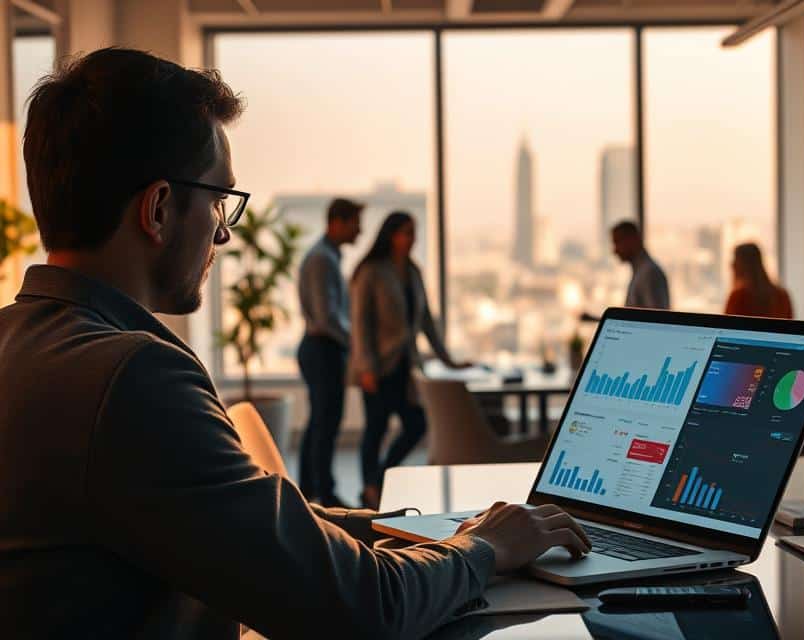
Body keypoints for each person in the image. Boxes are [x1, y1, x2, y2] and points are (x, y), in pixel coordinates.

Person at [0, 48, 589, 639]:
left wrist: (421, 529)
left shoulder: (21, 347)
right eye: (217, 200)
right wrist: (481, 550)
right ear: (158, 209)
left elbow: (238, 520)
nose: (224, 232)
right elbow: (362, 610)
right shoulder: (131, 379)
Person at [350, 212, 468, 510]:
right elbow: (360, 323)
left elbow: (426, 319)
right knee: (375, 428)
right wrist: (365, 367)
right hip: (378, 365)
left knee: (416, 424)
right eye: (406, 232)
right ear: (391, 235)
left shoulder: (413, 271)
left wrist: (448, 360)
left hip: (407, 365)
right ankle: (370, 488)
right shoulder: (371, 271)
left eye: (414, 232)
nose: (411, 238)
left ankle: (376, 481)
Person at [297, 198, 363, 508]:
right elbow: (326, 318)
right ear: (337, 222)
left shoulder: (327, 256)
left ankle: (311, 490)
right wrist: (355, 341)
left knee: (320, 421)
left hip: (321, 347)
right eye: (355, 223)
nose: (360, 230)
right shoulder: (322, 259)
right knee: (326, 423)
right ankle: (325, 494)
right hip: (322, 348)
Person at [581, 220, 670, 321]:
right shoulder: (642, 271)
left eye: (617, 242)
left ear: (633, 240)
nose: (615, 250)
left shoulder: (649, 273)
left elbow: (658, 320)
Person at [724, 243, 793, 319]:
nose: (732, 264)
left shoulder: (738, 297)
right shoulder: (782, 295)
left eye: (735, 259)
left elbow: (726, 328)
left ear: (743, 265)